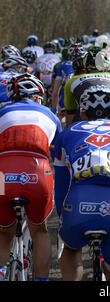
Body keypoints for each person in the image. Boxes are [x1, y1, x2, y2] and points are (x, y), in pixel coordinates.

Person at [53, 85, 110, 281]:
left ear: (82, 113)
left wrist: (64, 217)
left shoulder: (68, 132)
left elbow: (61, 185)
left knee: (71, 248)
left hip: (78, 202)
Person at [0, 73, 61, 281]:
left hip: (3, 172)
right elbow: (59, 156)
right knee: (40, 231)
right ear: (37, 96)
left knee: (3, 232)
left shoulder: (2, 112)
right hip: (38, 173)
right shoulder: (50, 115)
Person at [64, 48, 110, 124]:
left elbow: (70, 112)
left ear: (85, 64)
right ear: (105, 64)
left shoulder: (72, 81)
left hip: (85, 121)